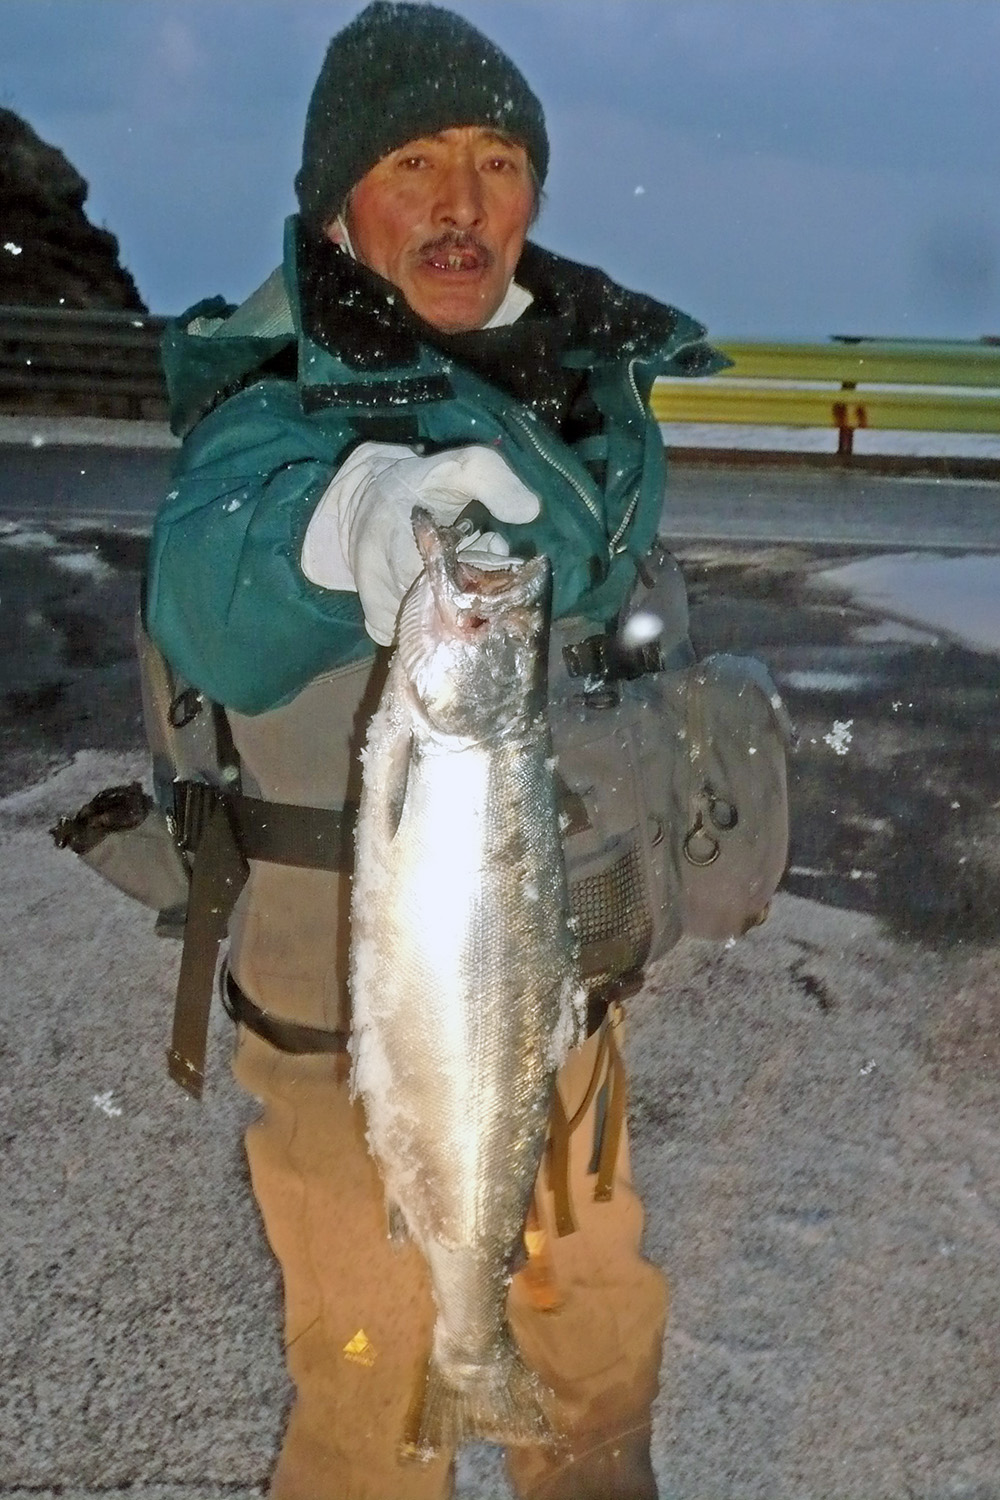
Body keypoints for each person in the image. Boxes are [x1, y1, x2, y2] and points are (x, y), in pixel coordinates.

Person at [139, 6, 782, 1498]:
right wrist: (352, 523)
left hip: (552, 995)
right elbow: (210, 594)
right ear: (337, 203)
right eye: (412, 160)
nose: (459, 200)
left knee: (602, 1343)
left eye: (497, 161)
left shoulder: (582, 378)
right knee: (370, 1395)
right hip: (354, 1027)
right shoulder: (268, 391)